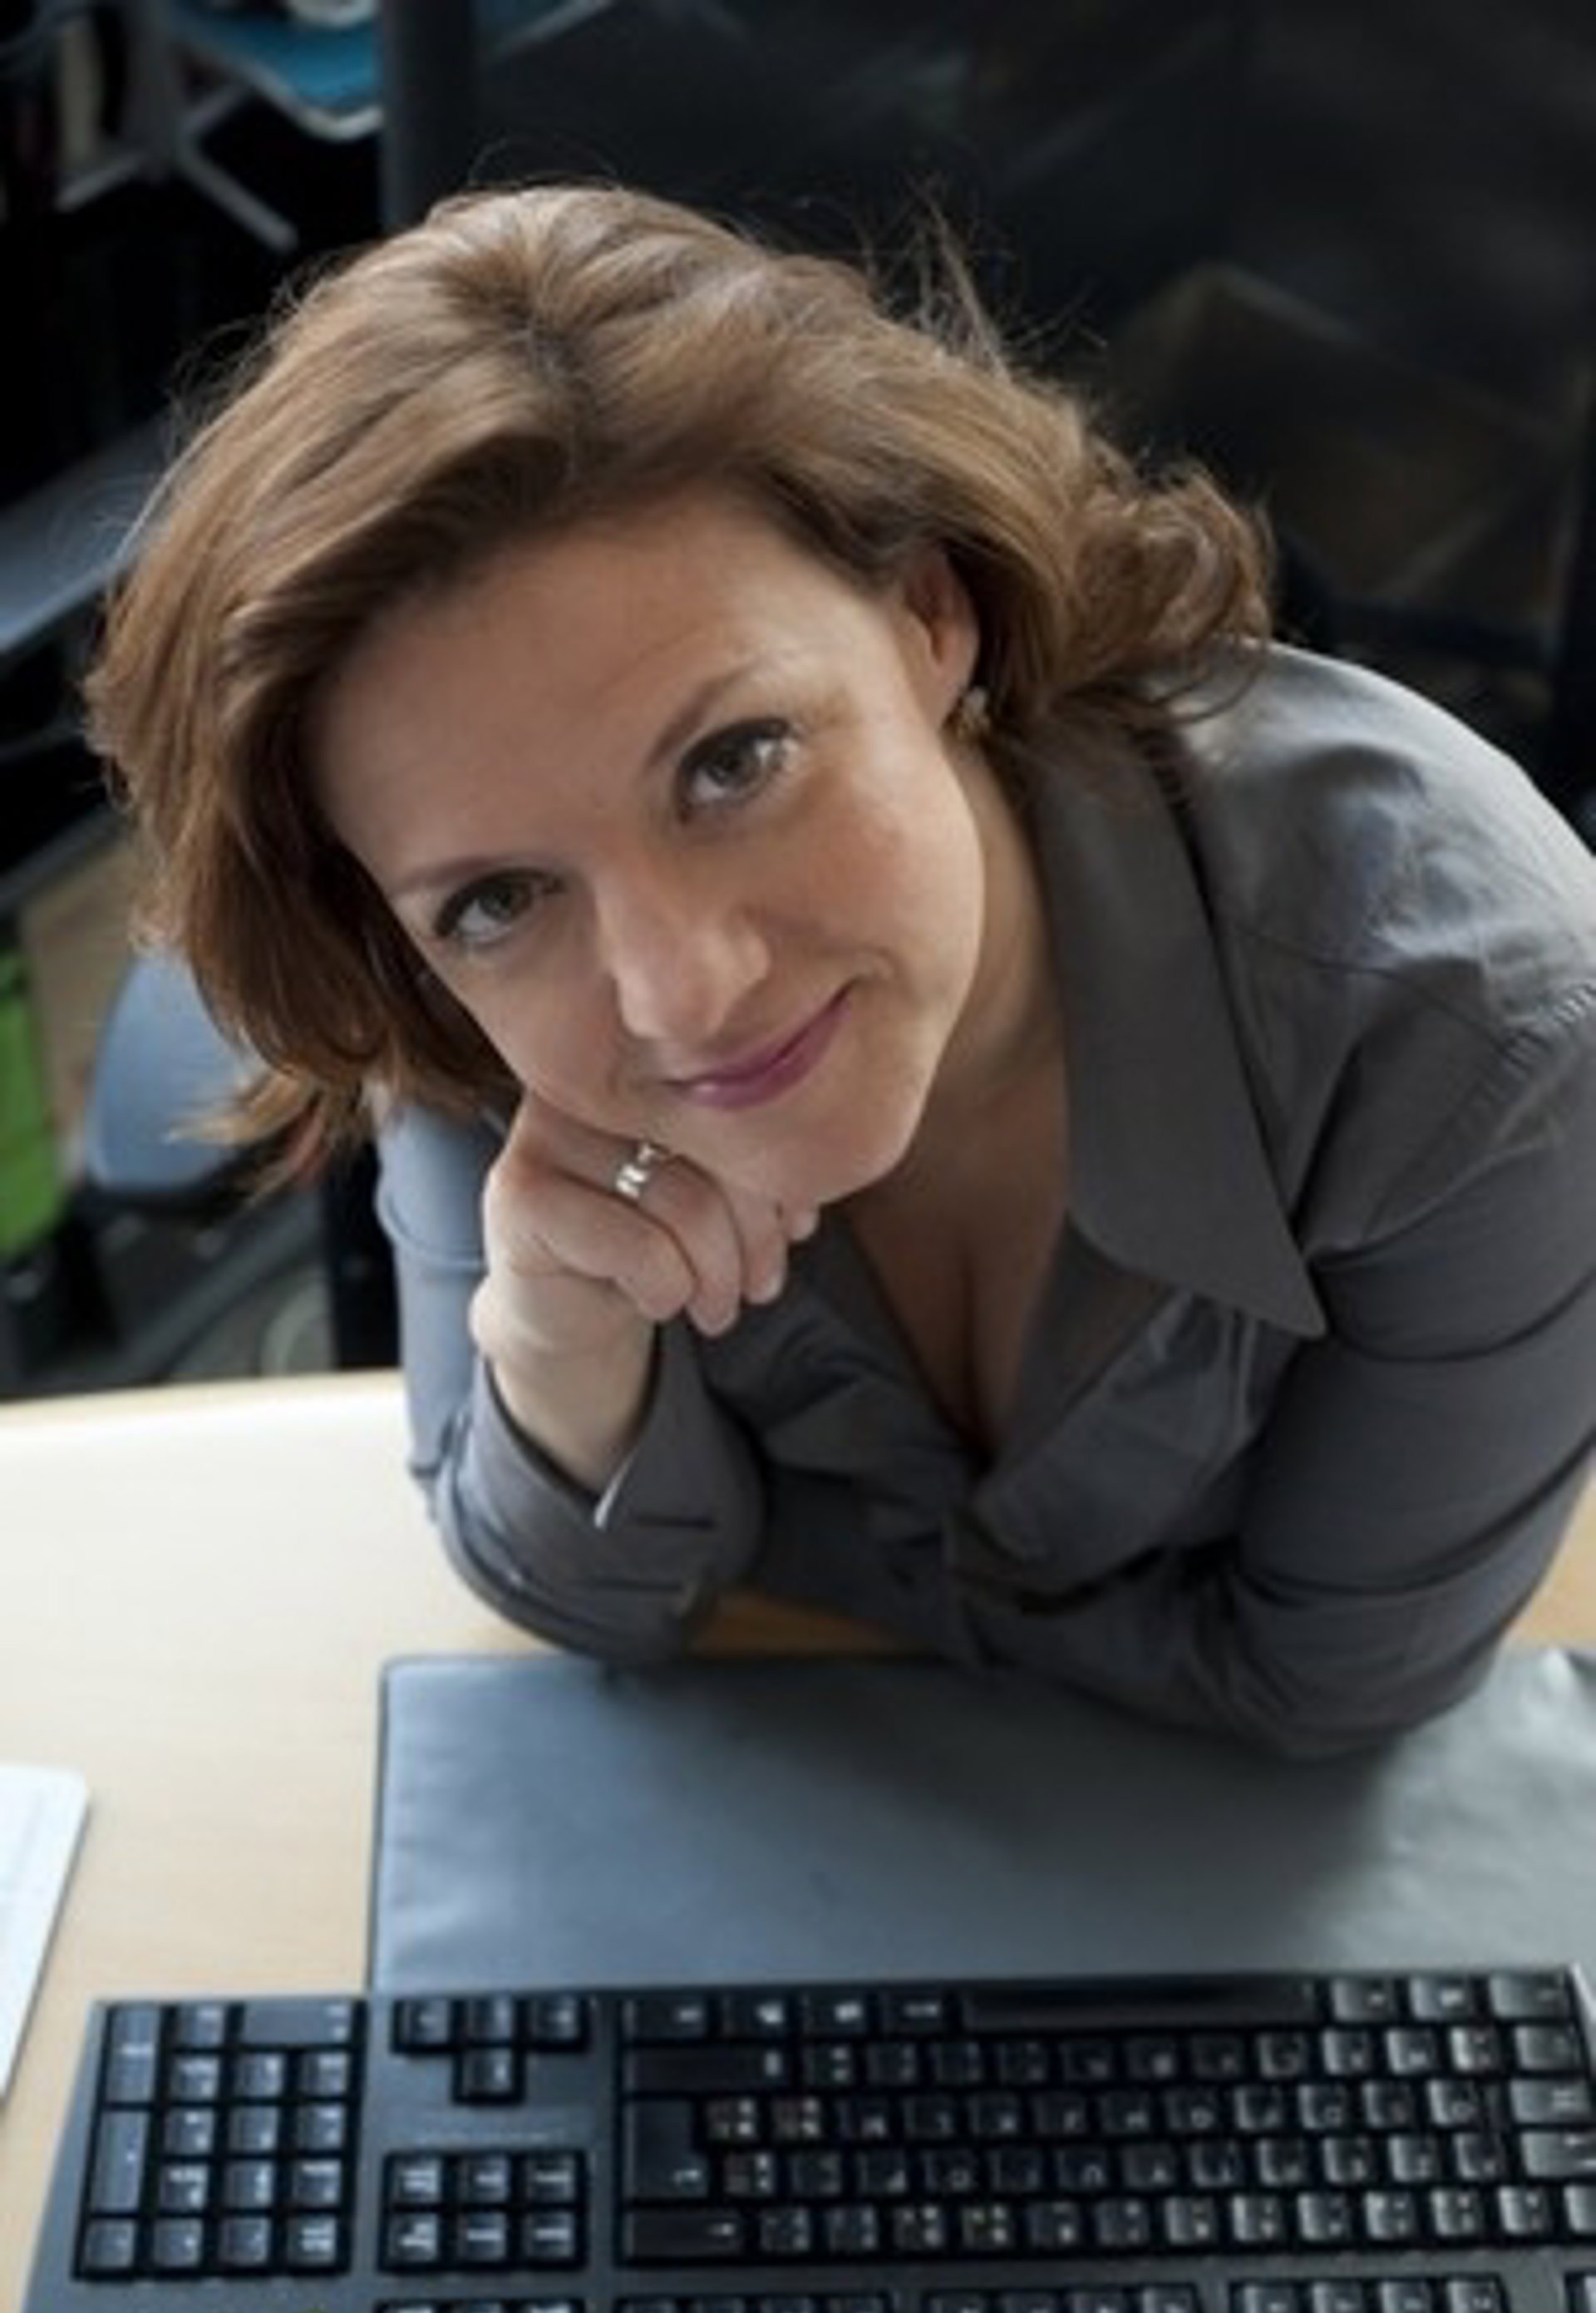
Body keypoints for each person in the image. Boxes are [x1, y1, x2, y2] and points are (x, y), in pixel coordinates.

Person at [88, 183, 1596, 1756]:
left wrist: (774, 1554)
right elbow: (567, 1600)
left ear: (930, 613)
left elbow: (1332, 1686)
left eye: (733, 762)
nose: (679, 991)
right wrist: (559, 1350)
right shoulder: (473, 1010)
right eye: (501, 897)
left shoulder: (1484, 1029)